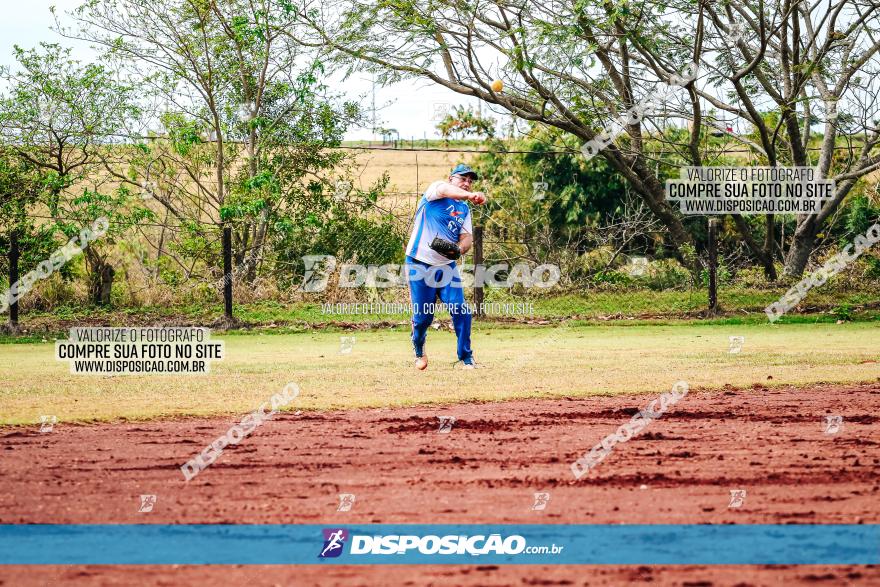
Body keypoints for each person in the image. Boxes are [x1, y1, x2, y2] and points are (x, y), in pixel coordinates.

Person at [404, 164, 488, 370]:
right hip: (419, 262)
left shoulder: (464, 210)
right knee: (424, 317)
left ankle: (466, 357)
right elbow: (443, 190)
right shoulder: (436, 191)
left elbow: (467, 238)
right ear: (451, 178)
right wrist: (470, 195)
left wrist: (459, 250)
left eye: (470, 181)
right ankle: (418, 343)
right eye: (463, 179)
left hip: (446, 267)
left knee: (461, 310)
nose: (467, 183)